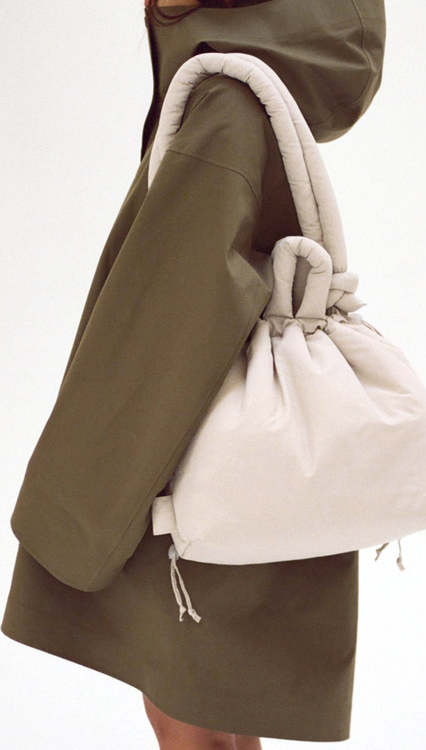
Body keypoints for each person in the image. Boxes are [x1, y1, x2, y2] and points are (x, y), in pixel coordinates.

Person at [1, 0, 386, 747]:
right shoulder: (256, 79)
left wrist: (78, 503)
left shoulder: (225, 100)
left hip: (179, 464)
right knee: (219, 716)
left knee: (187, 718)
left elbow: (172, 315)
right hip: (248, 456)